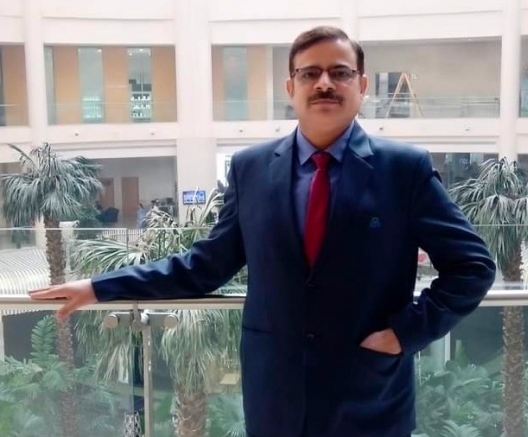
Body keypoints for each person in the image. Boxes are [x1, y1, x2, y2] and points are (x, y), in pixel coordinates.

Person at [30, 26, 496, 437]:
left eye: (340, 72)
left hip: (369, 396)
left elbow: (472, 267)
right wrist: (98, 286)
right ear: (290, 86)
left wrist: (405, 332)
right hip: (275, 398)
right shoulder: (251, 168)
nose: (325, 83)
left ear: (362, 85)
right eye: (310, 73)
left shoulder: (403, 169)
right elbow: (206, 265)